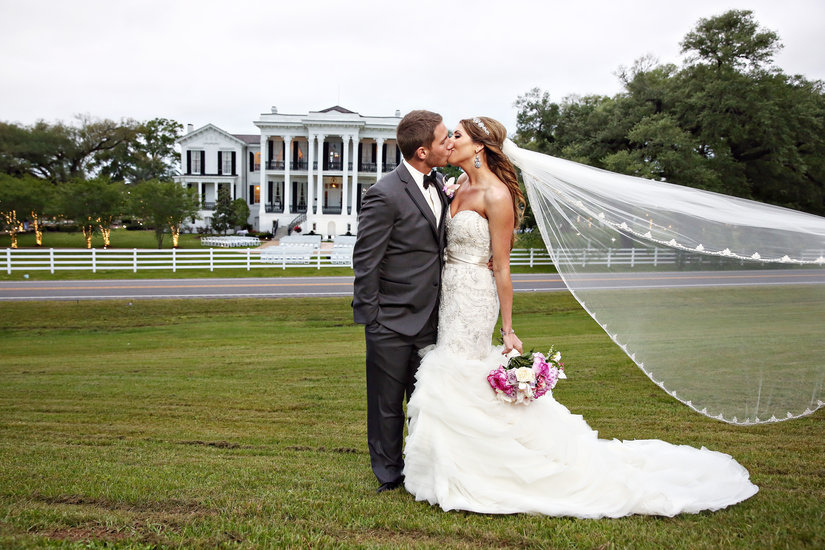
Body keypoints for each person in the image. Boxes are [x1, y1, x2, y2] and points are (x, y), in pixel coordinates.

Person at [402, 116, 758, 517]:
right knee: (454, 370)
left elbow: (502, 266)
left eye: (457, 135)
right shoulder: (458, 186)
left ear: (479, 146)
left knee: (462, 367)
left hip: (474, 298)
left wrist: (508, 327)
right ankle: (453, 463)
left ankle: (490, 468)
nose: (448, 141)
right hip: (450, 290)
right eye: (449, 135)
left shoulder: (497, 196)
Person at [352, 110, 454, 493]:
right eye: (445, 139)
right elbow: (366, 260)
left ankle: (422, 470)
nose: (451, 144)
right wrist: (373, 318)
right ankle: (389, 476)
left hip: (432, 318)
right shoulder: (384, 194)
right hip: (390, 323)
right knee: (386, 406)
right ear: (424, 151)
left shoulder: (441, 182)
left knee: (427, 402)